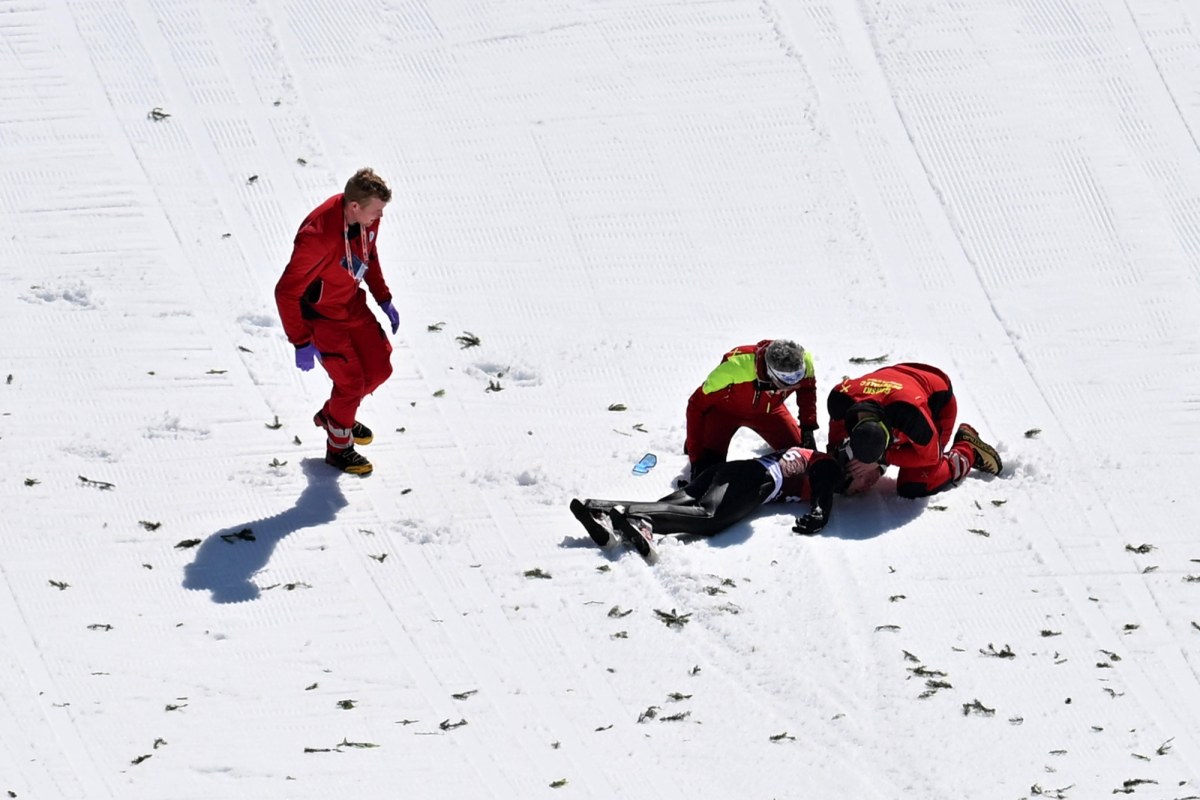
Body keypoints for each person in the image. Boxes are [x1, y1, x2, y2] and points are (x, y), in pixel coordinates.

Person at [275, 168, 399, 476]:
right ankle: (339, 448)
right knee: (350, 383)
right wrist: (301, 341)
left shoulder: (368, 218)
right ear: (354, 206)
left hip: (351, 304)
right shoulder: (318, 239)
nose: (380, 217)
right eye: (376, 211)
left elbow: (368, 254)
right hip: (322, 318)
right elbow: (285, 292)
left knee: (381, 367)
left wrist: (383, 296)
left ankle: (335, 416)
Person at [570, 447, 844, 562]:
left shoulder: (810, 458)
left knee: (681, 504)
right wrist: (821, 512)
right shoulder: (828, 465)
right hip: (753, 480)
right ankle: (640, 519)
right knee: (710, 518)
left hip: (728, 471)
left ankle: (600, 509)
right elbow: (824, 482)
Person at [825, 362, 1002, 498]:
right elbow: (835, 445)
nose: (866, 486)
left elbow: (931, 456)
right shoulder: (840, 401)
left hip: (937, 401)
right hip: (900, 379)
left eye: (859, 477)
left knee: (914, 485)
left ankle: (967, 448)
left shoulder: (912, 419)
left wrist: (885, 457)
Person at [684, 339, 819, 479]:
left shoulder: (804, 363)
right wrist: (696, 456)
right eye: (787, 383)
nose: (795, 385)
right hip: (723, 414)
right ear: (770, 374)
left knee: (802, 458)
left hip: (769, 413)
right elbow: (696, 406)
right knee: (707, 471)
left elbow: (807, 390)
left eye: (798, 379)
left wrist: (807, 428)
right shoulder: (733, 369)